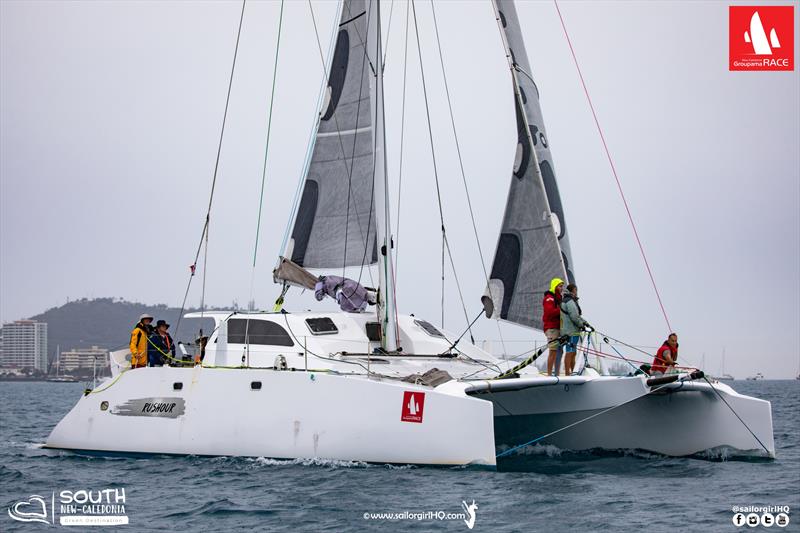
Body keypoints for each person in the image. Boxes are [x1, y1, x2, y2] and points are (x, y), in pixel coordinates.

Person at [560, 283, 591, 376]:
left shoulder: (567, 300)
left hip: (568, 331)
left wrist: (586, 323)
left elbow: (577, 316)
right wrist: (582, 325)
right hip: (571, 331)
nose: (577, 292)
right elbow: (574, 317)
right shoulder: (569, 301)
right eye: (576, 290)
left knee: (573, 353)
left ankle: (573, 372)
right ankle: (567, 374)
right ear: (573, 290)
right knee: (570, 352)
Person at [543, 277, 564, 376]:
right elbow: (549, 312)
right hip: (551, 328)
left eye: (562, 286)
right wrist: (561, 310)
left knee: (559, 352)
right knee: (553, 351)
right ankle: (549, 374)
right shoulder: (549, 298)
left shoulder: (558, 298)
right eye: (560, 286)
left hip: (558, 328)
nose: (562, 288)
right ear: (555, 287)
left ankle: (556, 373)